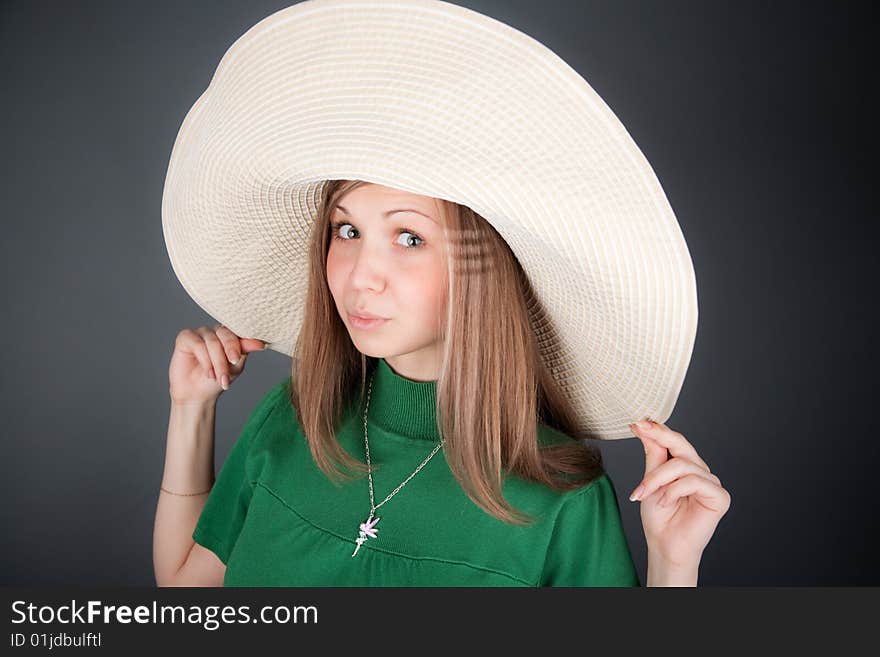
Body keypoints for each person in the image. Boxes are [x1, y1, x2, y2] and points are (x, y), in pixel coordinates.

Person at [153, 0, 730, 587]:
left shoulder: (562, 501)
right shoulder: (293, 420)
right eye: (347, 230)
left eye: (408, 237)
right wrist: (191, 411)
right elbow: (183, 594)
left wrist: (673, 565)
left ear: (483, 271)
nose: (360, 274)